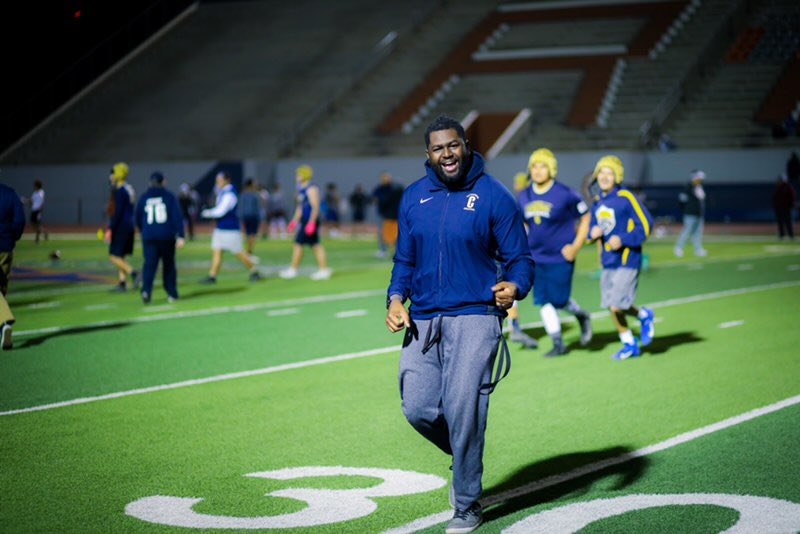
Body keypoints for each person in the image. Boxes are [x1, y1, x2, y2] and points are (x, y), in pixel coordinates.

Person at [386, 115, 534, 533]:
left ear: (465, 146)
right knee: (417, 408)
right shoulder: (414, 197)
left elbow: (520, 258)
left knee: (463, 408)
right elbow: (404, 261)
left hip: (475, 315)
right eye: (438, 149)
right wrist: (396, 298)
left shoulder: (493, 195)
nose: (446, 155)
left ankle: (467, 504)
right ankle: (465, 456)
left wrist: (516, 286)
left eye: (453, 146)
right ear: (428, 155)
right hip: (425, 319)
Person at [517, 148, 593, 356]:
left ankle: (581, 315)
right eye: (534, 166)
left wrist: (576, 246)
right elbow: (523, 224)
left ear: (551, 169)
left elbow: (586, 218)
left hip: (561, 255)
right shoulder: (523, 196)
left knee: (559, 299)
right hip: (536, 256)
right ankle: (558, 343)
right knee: (542, 299)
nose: (538, 170)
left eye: (542, 166)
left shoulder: (566, 194)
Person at [587, 155, 656, 361]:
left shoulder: (626, 197)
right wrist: (593, 234)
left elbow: (646, 224)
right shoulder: (598, 202)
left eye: (610, 173)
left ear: (617, 176)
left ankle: (642, 319)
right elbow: (592, 230)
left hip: (627, 259)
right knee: (612, 305)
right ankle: (630, 342)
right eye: (601, 172)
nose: (605, 176)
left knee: (617, 304)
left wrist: (624, 239)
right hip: (608, 261)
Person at [199, 172, 261, 283]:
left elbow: (220, 211)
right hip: (221, 228)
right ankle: (212, 276)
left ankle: (254, 271)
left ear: (227, 180)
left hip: (230, 229)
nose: (217, 183)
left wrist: (207, 213)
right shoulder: (223, 192)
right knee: (217, 251)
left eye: (220, 180)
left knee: (239, 253)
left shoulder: (229, 194)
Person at [135, 172, 185, 304]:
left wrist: (144, 231)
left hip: (149, 236)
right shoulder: (168, 196)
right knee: (168, 265)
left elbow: (138, 217)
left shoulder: (144, 197)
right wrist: (181, 235)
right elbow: (177, 217)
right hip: (166, 236)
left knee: (149, 265)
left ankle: (146, 291)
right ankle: (171, 293)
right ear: (163, 182)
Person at [279, 165, 332, 281]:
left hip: (309, 221)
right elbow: (300, 208)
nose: (297, 177)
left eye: (299, 174)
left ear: (305, 175)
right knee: (314, 245)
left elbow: (315, 207)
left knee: (300, 244)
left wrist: (311, 222)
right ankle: (323, 270)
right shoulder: (301, 189)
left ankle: (294, 270)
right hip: (305, 221)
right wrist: (294, 221)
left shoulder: (311, 189)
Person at [506, 172, 538, 349]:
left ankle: (514, 327)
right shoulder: (520, 202)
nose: (517, 186)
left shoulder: (522, 201)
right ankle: (514, 328)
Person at [106, 162, 139, 292]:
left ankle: (134, 273)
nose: (111, 176)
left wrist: (111, 227)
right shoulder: (129, 189)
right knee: (121, 256)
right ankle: (122, 282)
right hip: (129, 225)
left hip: (121, 226)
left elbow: (118, 212)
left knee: (113, 256)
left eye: (113, 173)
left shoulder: (120, 191)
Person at [0, 183, 25, 350]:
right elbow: (19, 220)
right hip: (5, 247)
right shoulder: (10, 193)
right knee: (1, 290)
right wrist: (11, 238)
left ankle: (5, 321)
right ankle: (3, 328)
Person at [674, 169, 707, 257]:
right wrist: (685, 210)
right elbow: (682, 200)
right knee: (687, 231)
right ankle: (679, 248)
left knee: (698, 233)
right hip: (690, 213)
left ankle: (698, 249)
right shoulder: (687, 187)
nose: (701, 180)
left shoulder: (699, 187)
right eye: (699, 178)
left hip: (699, 213)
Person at [372, 171, 404, 258]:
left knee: (395, 234)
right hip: (384, 214)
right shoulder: (379, 188)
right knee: (383, 233)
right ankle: (384, 250)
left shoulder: (394, 189)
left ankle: (396, 251)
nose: (385, 179)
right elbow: (374, 199)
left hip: (393, 214)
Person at [239, 178, 262, 257]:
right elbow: (257, 207)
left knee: (247, 234)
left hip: (245, 216)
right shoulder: (255, 194)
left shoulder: (243, 194)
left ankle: (246, 251)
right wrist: (259, 218)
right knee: (252, 234)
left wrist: (240, 217)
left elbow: (241, 207)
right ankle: (249, 252)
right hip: (253, 216)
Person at [773, 174, 796, 240]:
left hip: (787, 208)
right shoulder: (778, 188)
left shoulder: (788, 188)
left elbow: (792, 197)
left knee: (788, 222)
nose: (779, 181)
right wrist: (775, 206)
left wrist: (791, 205)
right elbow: (775, 198)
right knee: (780, 222)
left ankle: (791, 235)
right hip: (779, 208)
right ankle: (781, 235)